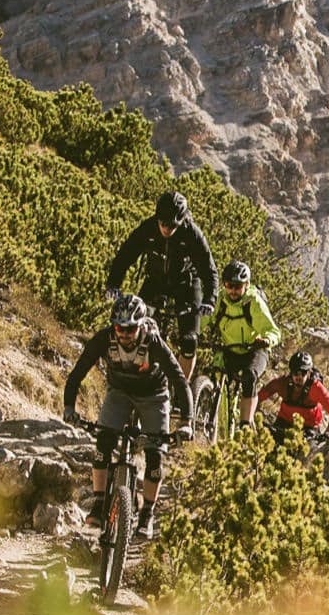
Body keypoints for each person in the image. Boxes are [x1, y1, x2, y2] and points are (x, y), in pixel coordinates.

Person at [63, 293, 193, 541]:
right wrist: (69, 407)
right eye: (119, 328)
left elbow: (178, 379)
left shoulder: (153, 342)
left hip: (154, 395)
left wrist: (186, 422)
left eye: (130, 329)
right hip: (119, 392)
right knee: (103, 443)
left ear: (141, 325)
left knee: (155, 454)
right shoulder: (105, 338)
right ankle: (100, 503)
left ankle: (147, 514)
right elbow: (78, 371)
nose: (124, 334)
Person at [104, 189, 217, 386]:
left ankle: (181, 390)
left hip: (186, 284)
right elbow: (125, 255)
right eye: (163, 223)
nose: (166, 228)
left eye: (172, 225)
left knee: (189, 340)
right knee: (135, 325)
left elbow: (209, 269)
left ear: (181, 220)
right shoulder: (148, 228)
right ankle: (137, 376)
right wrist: (113, 284)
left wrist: (209, 299)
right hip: (155, 282)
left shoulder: (192, 233)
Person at [205, 260, 282, 429]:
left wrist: (266, 340)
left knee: (249, 376)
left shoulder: (252, 302)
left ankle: (245, 426)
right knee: (213, 371)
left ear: (246, 285)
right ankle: (207, 407)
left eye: (237, 286)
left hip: (254, 349)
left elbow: (273, 331)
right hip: (230, 348)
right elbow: (205, 320)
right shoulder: (220, 300)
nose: (233, 290)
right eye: (229, 285)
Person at [259, 350, 329, 442]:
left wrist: (328, 433)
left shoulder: (316, 388)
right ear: (291, 372)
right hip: (283, 424)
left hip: (308, 429)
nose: (299, 377)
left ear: (309, 373)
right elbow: (257, 397)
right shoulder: (282, 383)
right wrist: (253, 419)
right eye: (296, 372)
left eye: (303, 372)